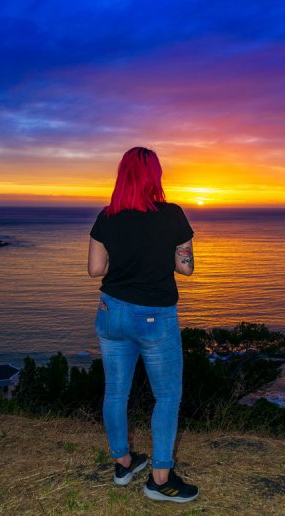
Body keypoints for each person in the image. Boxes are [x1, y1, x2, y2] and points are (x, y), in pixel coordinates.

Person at [87, 146, 198, 503]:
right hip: (154, 316)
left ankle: (123, 463)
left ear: (122, 176)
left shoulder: (107, 216)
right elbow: (186, 268)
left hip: (111, 312)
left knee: (115, 392)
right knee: (166, 396)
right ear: (156, 176)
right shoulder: (172, 215)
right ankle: (160, 479)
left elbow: (95, 270)